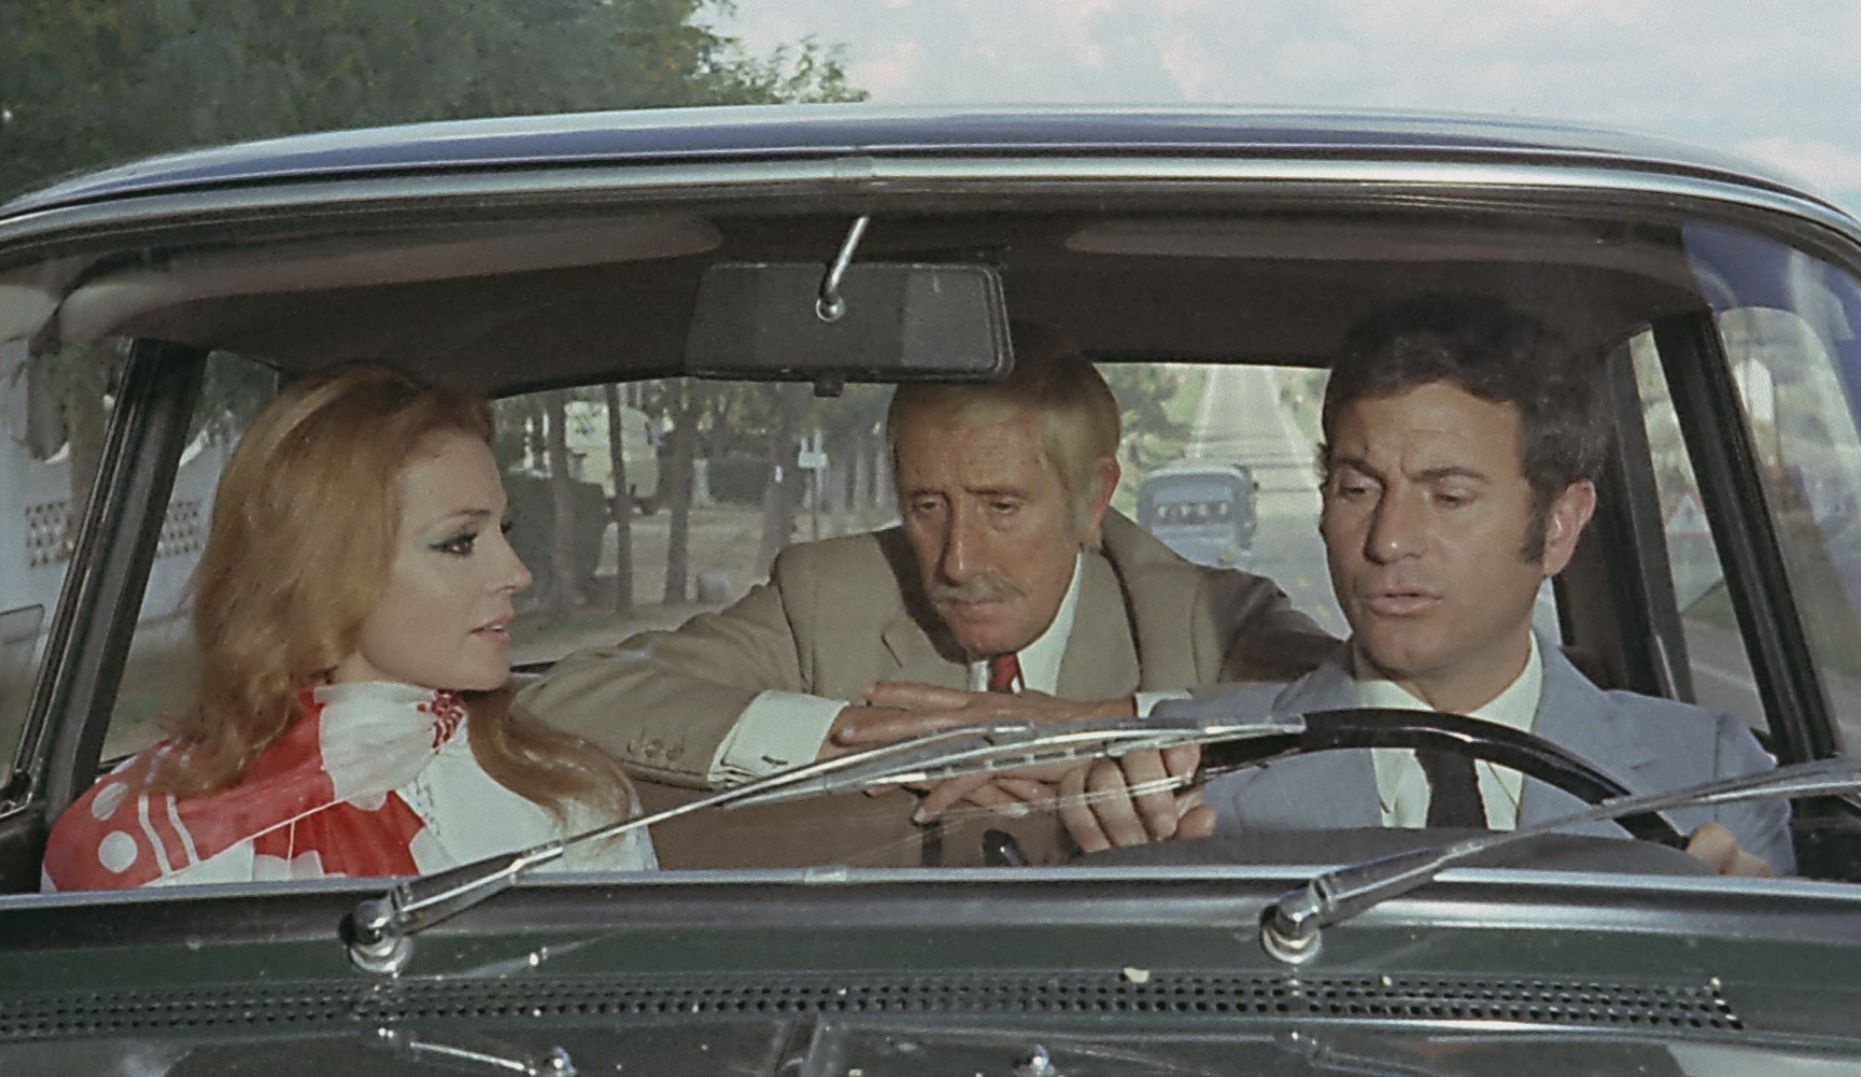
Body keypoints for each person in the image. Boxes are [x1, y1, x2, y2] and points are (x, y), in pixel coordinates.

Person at [515, 327, 1334, 861]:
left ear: (1092, 502)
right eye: (927, 507)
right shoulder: (828, 597)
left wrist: (1107, 725)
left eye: (1002, 507)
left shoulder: (1206, 617)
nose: (957, 560)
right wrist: (841, 742)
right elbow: (566, 696)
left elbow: (1362, 721)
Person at [1059, 294, 1792, 877]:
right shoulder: (1186, 768)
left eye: (1449, 496)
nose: (1388, 541)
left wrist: (1741, 948)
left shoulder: (1711, 775)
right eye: (1357, 489)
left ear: (1559, 525)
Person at [42, 366, 654, 890]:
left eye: (505, 530)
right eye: (459, 542)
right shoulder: (150, 850)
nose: (517, 573)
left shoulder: (572, 802)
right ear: (325, 570)